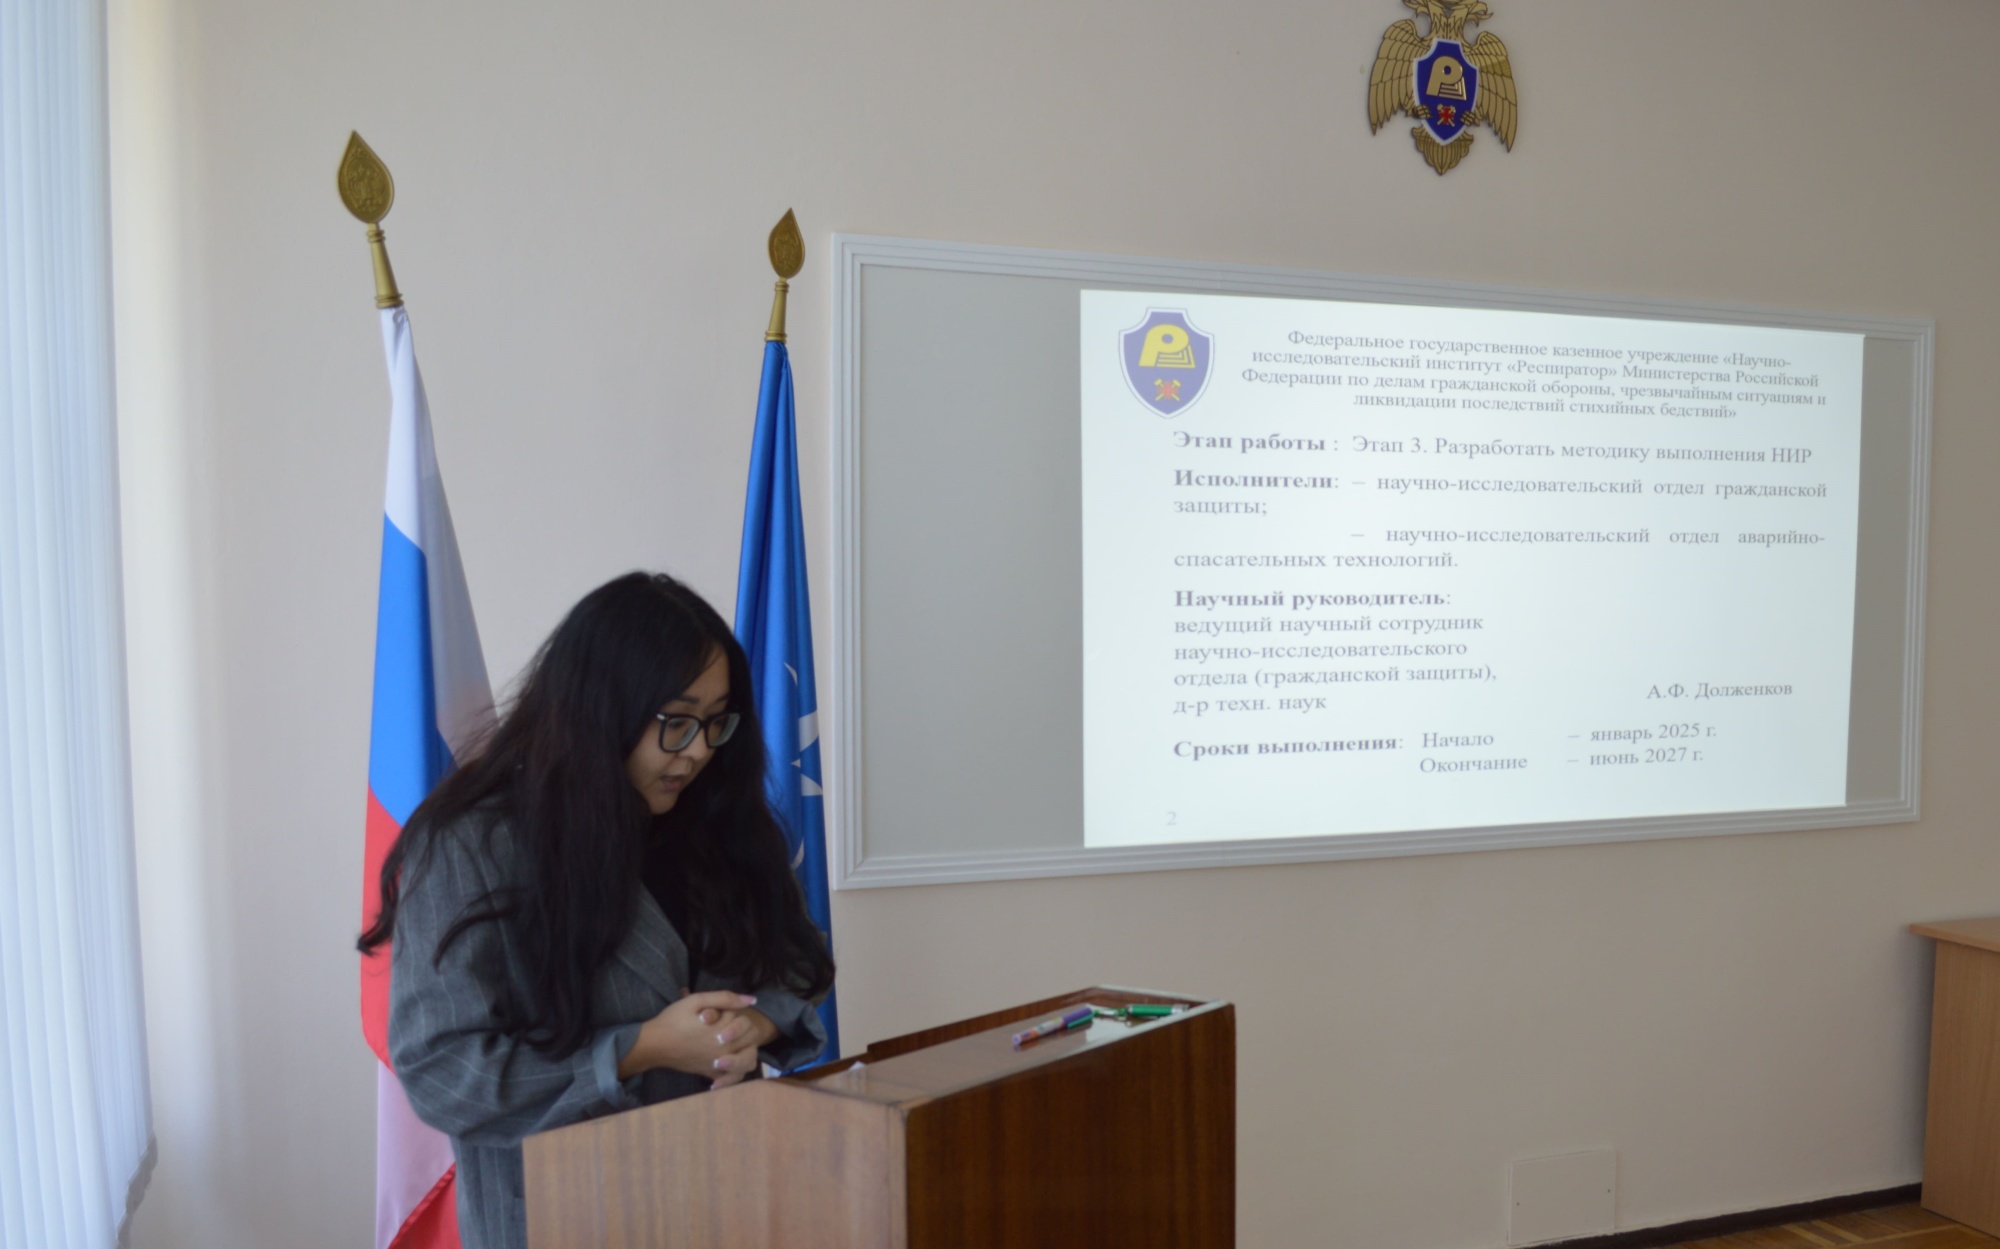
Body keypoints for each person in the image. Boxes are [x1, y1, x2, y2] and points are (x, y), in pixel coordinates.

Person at [357, 571, 835, 1249]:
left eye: (715, 722)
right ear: (601, 710)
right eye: (676, 722)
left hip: (723, 1201)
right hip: (557, 1217)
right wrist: (638, 1050)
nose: (700, 749)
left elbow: (798, 965)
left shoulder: (719, 823)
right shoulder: (471, 845)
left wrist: (752, 1023)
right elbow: (445, 1074)